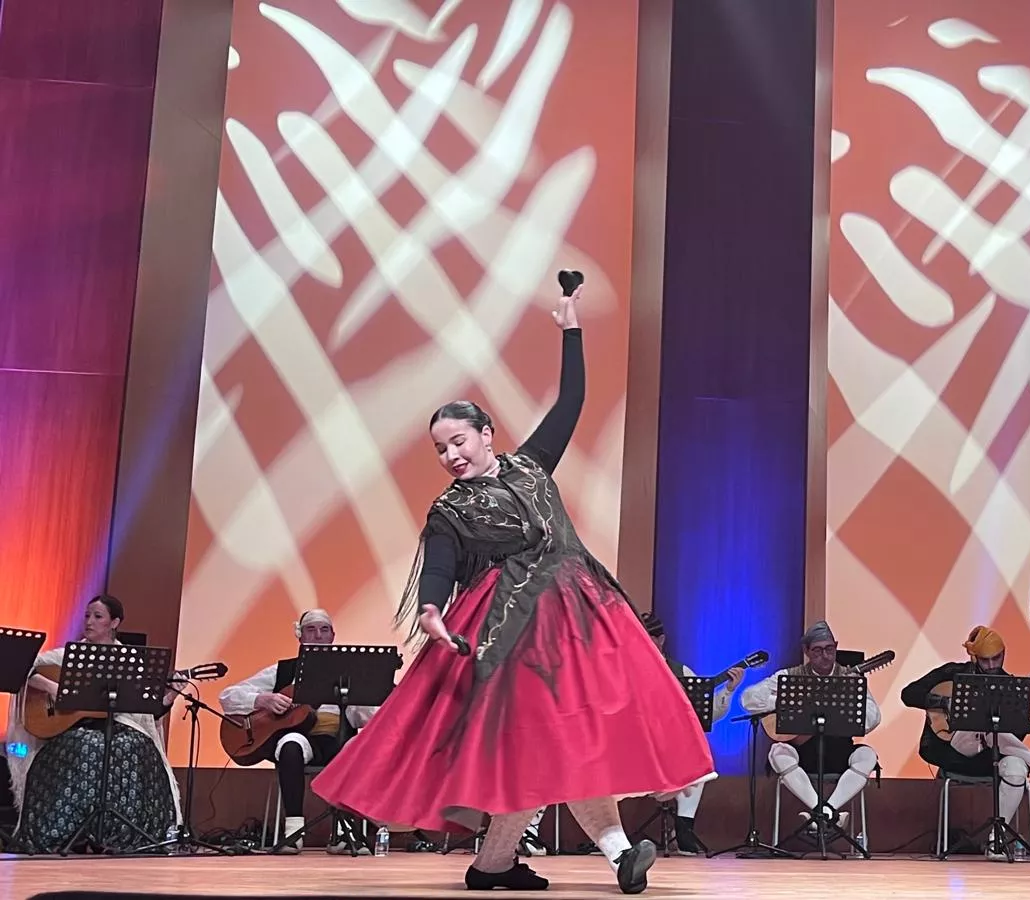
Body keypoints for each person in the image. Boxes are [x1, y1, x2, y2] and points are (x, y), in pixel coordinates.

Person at [310, 286, 714, 894]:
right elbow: (439, 572)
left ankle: (496, 865)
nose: (450, 455)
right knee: (548, 739)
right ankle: (611, 853)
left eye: (458, 441)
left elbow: (572, 400)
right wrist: (430, 611)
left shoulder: (531, 465)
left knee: (558, 742)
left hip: (582, 617)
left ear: (486, 433)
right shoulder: (449, 510)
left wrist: (570, 331)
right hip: (510, 631)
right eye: (441, 448)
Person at [5, 595, 182, 852]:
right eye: (87, 615)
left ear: (114, 622)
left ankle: (122, 832)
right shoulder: (67, 654)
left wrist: (171, 695)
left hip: (119, 724)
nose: (89, 622)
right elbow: (21, 665)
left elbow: (146, 712)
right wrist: (53, 688)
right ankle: (67, 831)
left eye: (97, 616)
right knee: (86, 745)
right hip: (75, 728)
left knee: (137, 746)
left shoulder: (129, 658)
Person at [899, 625, 1030, 860]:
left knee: (1016, 768)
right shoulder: (952, 673)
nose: (992, 665)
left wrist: (1020, 702)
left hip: (989, 756)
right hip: (954, 751)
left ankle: (996, 840)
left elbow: (1014, 738)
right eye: (985, 660)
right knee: (982, 723)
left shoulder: (1008, 684)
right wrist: (945, 702)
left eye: (997, 658)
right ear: (974, 657)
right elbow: (908, 694)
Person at [218, 608, 380, 853]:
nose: (317, 635)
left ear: (332, 636)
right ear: (300, 636)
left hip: (336, 741)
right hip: (300, 740)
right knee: (290, 743)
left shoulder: (347, 674)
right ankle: (293, 833)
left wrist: (369, 698)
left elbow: (365, 716)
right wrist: (262, 700)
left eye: (324, 630)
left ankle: (343, 834)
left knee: (355, 748)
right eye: (311, 630)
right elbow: (228, 696)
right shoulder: (282, 671)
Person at [740, 621, 879, 837]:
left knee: (868, 755)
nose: (824, 655)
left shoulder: (850, 678)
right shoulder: (791, 675)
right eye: (817, 650)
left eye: (829, 649)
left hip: (838, 750)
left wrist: (844, 706)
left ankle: (823, 811)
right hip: (803, 753)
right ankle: (826, 813)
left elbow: (873, 717)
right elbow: (748, 699)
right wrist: (789, 701)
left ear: (836, 647)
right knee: (778, 752)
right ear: (806, 652)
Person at [635, 611, 742, 853]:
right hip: (633, 748)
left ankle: (684, 828)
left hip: (667, 749)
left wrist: (728, 690)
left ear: (660, 640)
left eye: (646, 637)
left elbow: (707, 714)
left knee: (698, 757)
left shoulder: (680, 671)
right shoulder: (622, 669)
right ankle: (608, 835)